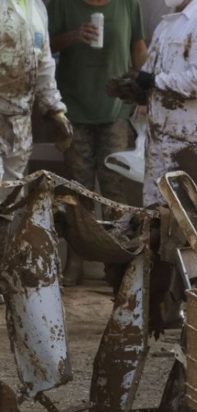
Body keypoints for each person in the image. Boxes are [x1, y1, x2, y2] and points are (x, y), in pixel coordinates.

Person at [48, 0, 148, 285]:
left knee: (115, 188)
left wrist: (148, 89)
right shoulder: (61, 5)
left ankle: (118, 267)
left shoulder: (128, 4)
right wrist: (73, 36)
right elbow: (42, 46)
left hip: (116, 111)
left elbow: (138, 48)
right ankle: (76, 262)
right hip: (74, 110)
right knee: (78, 191)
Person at [111, 0, 197, 211]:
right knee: (157, 222)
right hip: (158, 148)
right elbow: (151, 74)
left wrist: (153, 82)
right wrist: (136, 90)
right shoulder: (167, 24)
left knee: (193, 223)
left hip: (193, 147)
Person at [0, 0, 73, 198]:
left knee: (11, 195)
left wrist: (54, 109)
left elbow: (44, 63)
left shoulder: (37, 8)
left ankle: (7, 229)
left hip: (20, 122)